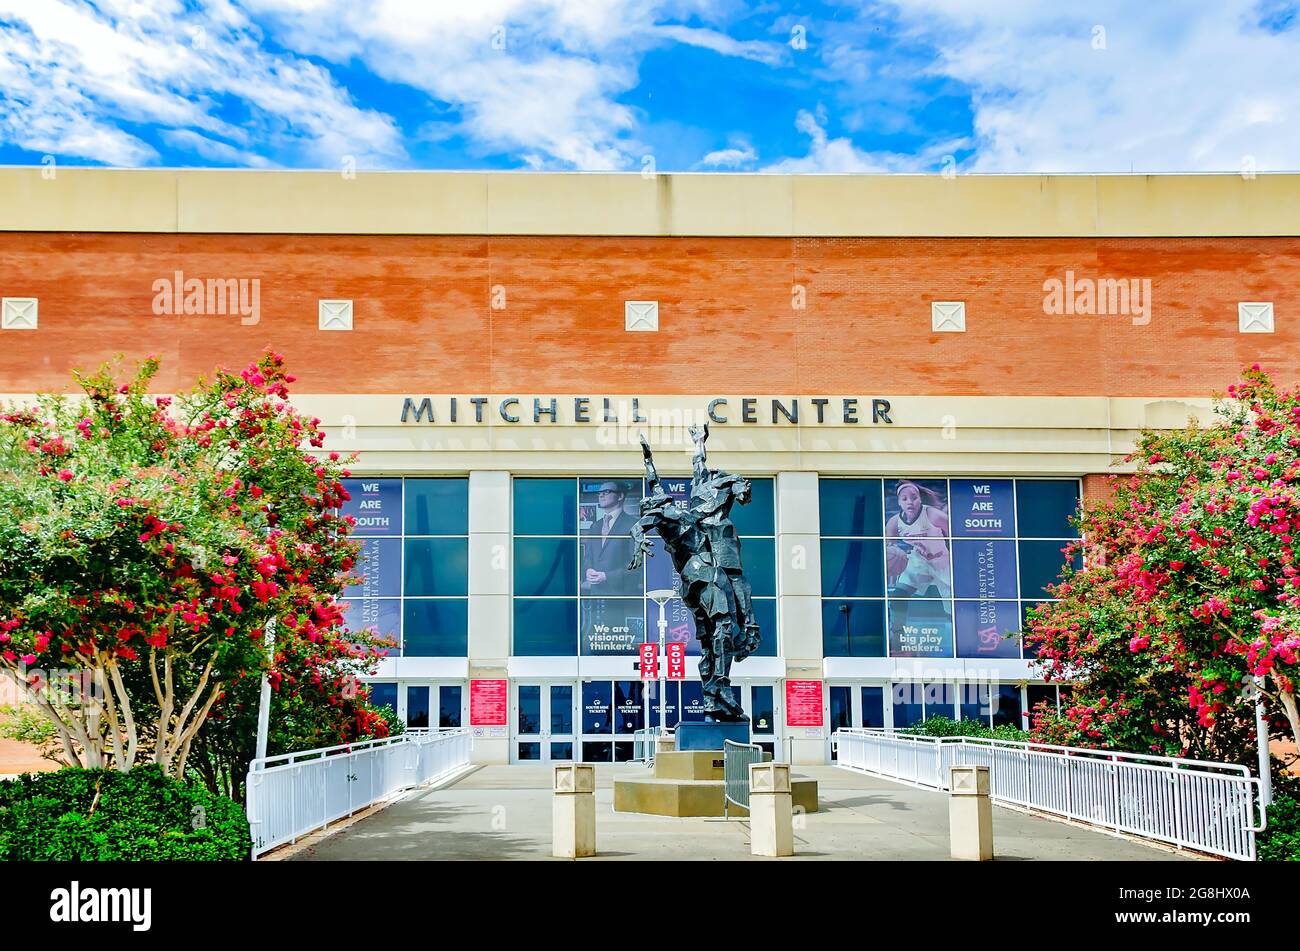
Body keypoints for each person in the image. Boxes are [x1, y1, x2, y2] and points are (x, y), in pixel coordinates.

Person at [885, 480, 952, 638]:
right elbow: (888, 547)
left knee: (951, 607)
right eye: (905, 499)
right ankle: (897, 633)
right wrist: (895, 556)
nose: (910, 502)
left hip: (942, 560)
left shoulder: (933, 515)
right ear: (899, 502)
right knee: (897, 595)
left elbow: (956, 537)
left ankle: (957, 638)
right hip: (918, 561)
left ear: (920, 499)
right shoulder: (894, 522)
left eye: (914, 497)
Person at [581, 480, 639, 596]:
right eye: (599, 493)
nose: (601, 495)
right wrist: (588, 570)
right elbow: (588, 556)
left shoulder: (633, 524)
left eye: (606, 492)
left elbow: (637, 564)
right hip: (596, 593)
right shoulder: (595, 526)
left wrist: (607, 576)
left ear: (620, 496)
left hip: (622, 594)